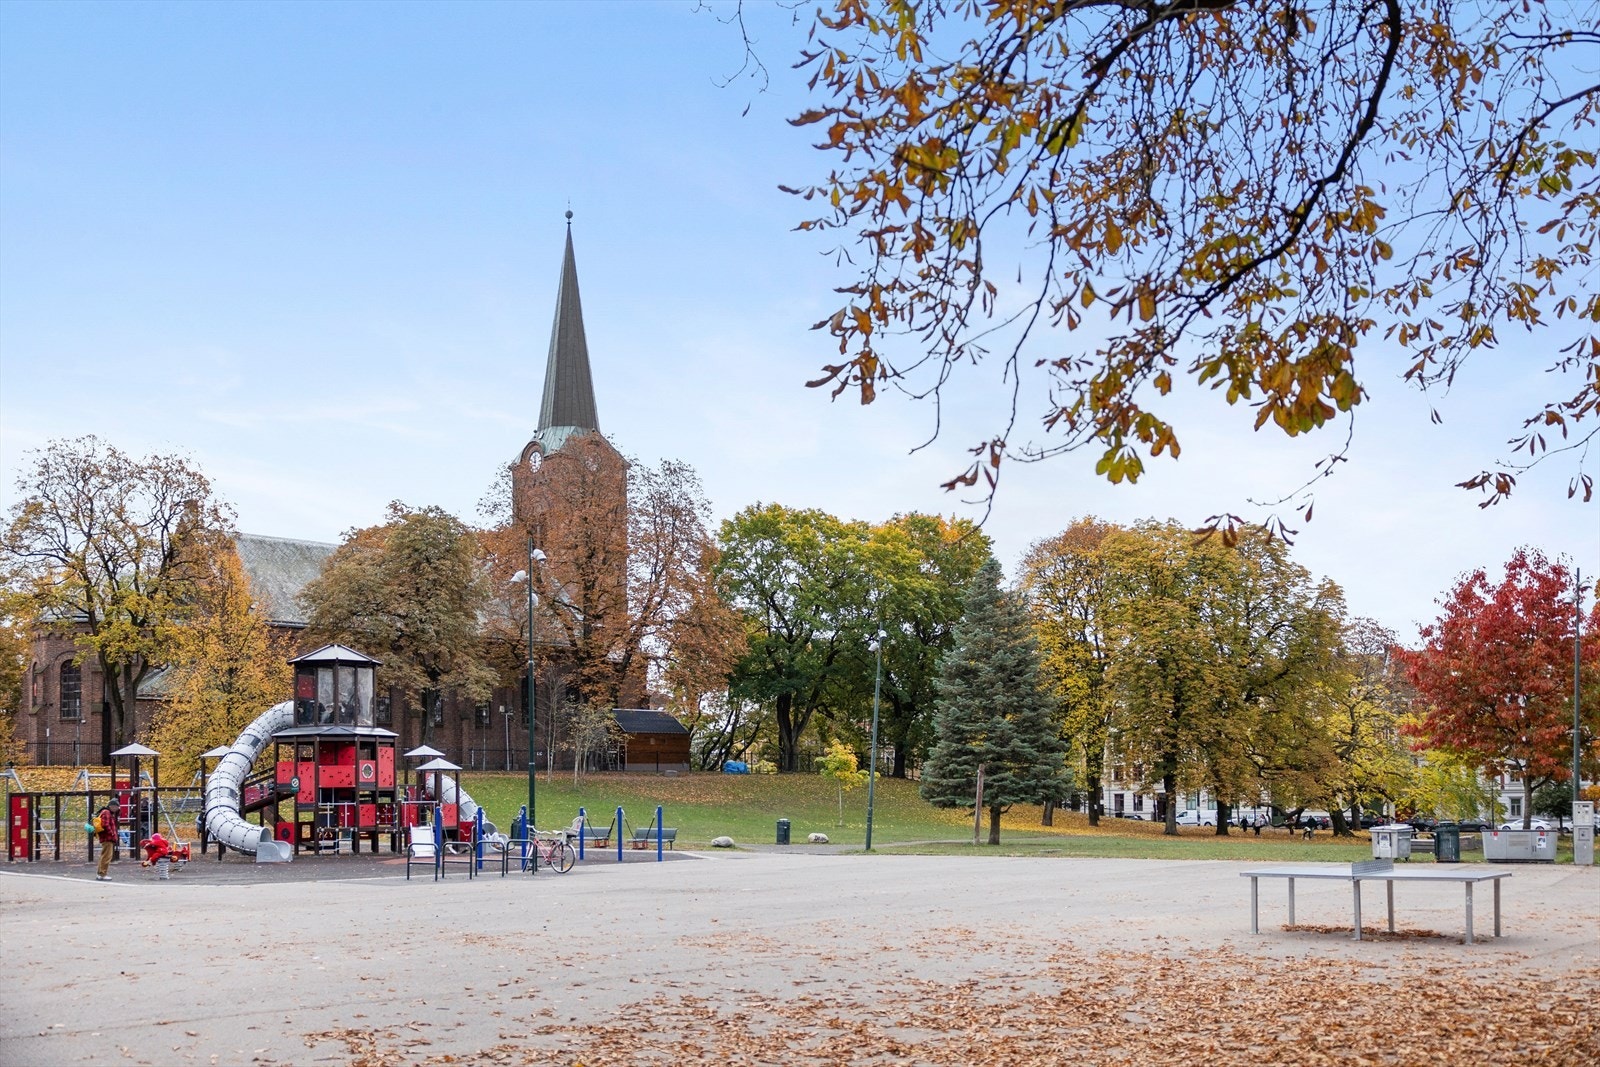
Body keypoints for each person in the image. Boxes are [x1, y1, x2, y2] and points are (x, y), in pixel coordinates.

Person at [93, 803, 118, 880]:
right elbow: (105, 825)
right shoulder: (107, 812)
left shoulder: (105, 812)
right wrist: (113, 833)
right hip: (107, 838)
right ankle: (102, 874)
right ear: (111, 806)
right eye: (116, 807)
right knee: (107, 856)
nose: (117, 809)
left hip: (106, 838)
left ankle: (100, 873)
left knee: (104, 856)